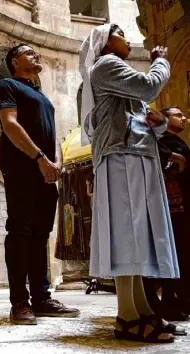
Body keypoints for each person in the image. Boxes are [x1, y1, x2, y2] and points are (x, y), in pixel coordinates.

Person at [80, 24, 184, 343]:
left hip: (133, 154)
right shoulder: (107, 65)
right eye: (120, 33)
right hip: (121, 156)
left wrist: (161, 122)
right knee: (128, 233)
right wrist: (160, 60)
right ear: (105, 42)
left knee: (136, 234)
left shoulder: (117, 73)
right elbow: (150, 87)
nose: (127, 38)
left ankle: (141, 309)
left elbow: (141, 119)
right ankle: (126, 316)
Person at [0, 43, 80, 325]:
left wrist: (55, 161)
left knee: (41, 234)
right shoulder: (8, 85)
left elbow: (53, 134)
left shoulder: (42, 95)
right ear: (15, 61)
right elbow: (10, 124)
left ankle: (41, 298)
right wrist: (40, 158)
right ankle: (19, 302)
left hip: (46, 169)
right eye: (30, 52)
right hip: (22, 167)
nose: (37, 55)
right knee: (20, 230)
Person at [144, 106, 190, 320]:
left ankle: (178, 300)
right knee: (173, 252)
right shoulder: (160, 141)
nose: (184, 119)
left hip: (179, 205)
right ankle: (170, 301)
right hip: (171, 206)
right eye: (178, 115)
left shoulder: (173, 142)